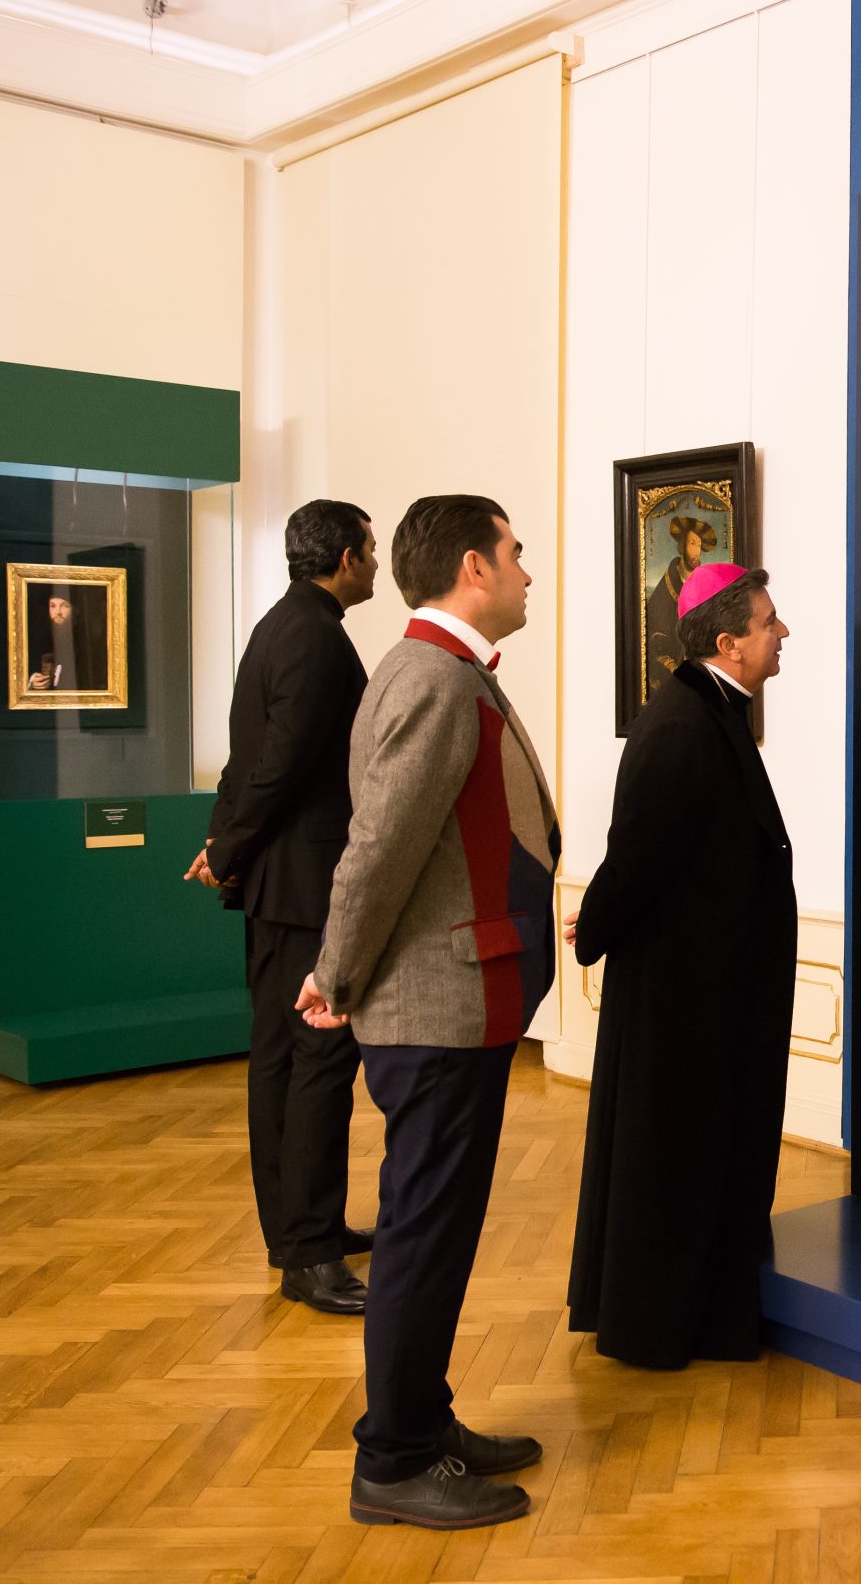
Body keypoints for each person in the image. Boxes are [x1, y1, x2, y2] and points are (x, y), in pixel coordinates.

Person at [297, 493, 558, 1530]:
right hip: (435, 1011)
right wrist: (336, 973)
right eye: (515, 553)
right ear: (472, 568)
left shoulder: (441, 672)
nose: (527, 571)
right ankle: (395, 1459)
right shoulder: (433, 680)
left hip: (456, 1006)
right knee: (421, 1237)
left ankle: (423, 1419)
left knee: (435, 1235)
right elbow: (378, 849)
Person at [566, 562, 796, 1369]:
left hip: (713, 984)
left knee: (706, 1152)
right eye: (769, 622)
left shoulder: (710, 709)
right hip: (685, 995)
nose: (783, 632)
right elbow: (638, 851)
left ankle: (706, 1312)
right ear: (728, 643)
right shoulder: (680, 724)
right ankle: (660, 1324)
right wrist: (596, 922)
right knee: (675, 1158)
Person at [190, 499, 377, 1316]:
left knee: (280, 1059)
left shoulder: (278, 625)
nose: (376, 564)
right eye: (370, 549)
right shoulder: (315, 636)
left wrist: (222, 841)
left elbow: (249, 763)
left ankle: (302, 1230)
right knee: (317, 1063)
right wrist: (226, 845)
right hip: (307, 886)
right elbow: (282, 765)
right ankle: (307, 1252)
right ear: (344, 556)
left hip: (280, 880)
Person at [643, 513, 718, 688]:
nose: (697, 551)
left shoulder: (705, 583)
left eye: (699, 545)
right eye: (692, 543)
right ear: (682, 546)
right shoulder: (667, 585)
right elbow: (654, 629)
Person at [30, 586, 107, 691]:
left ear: (76, 610)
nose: (58, 612)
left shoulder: (86, 643)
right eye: (52, 606)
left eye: (65, 606)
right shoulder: (40, 638)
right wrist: (33, 681)